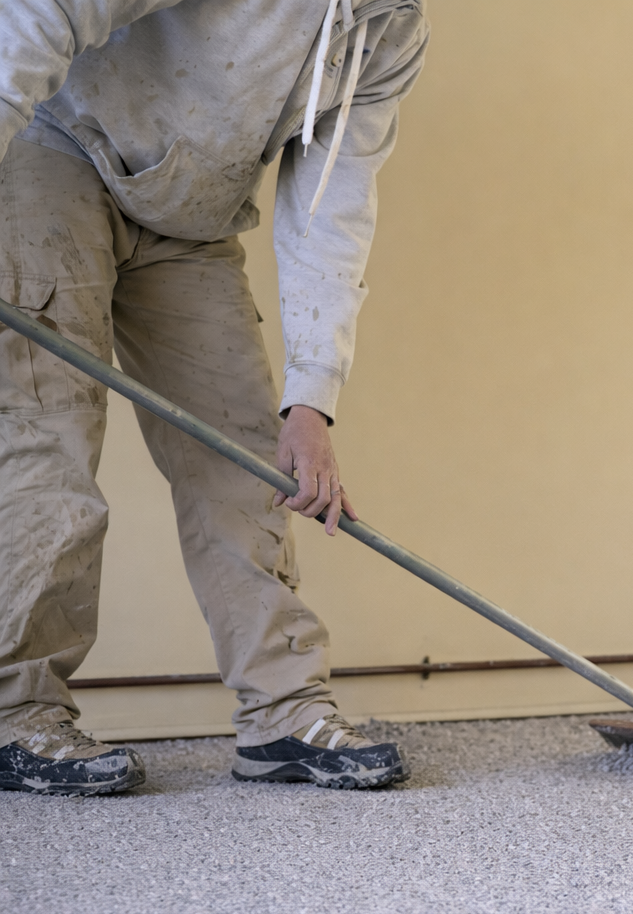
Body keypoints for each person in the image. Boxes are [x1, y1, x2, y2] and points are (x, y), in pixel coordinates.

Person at [0, 0, 429, 795]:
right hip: (56, 153)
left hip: (188, 220)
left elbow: (332, 206)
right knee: (47, 436)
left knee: (243, 459)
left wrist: (311, 402)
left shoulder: (388, 28)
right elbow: (40, 15)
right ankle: (15, 714)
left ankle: (283, 714)